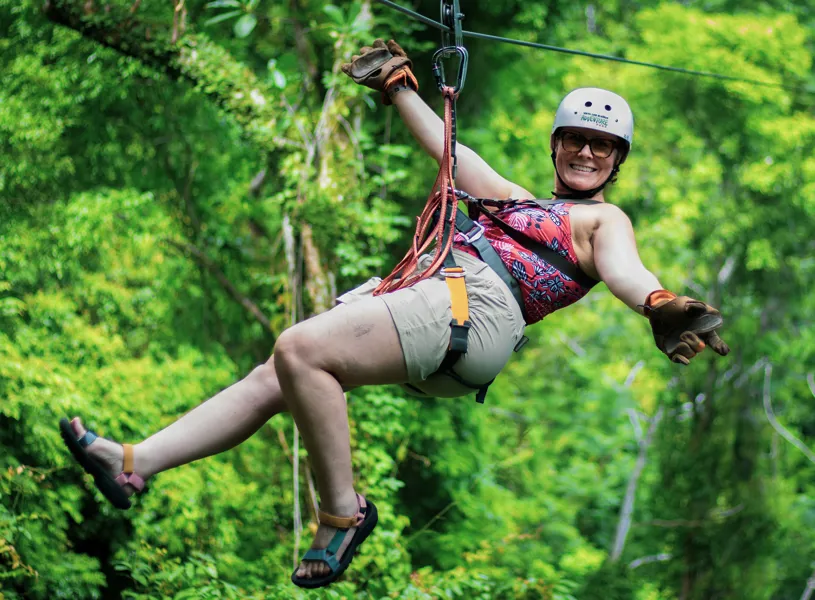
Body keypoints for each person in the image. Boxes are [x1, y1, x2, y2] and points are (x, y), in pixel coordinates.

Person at [59, 38, 730, 589]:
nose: (585, 152)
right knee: (280, 374)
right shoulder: (520, 203)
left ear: (616, 161)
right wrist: (399, 87)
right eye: (574, 140)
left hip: (476, 310)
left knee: (300, 350)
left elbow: (625, 269)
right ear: (555, 144)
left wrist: (657, 303)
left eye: (600, 146)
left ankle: (342, 515)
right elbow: (452, 156)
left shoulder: (601, 219)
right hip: (443, 311)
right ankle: (133, 463)